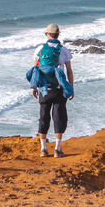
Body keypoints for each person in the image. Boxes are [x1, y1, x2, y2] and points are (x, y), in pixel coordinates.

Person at [32, 23, 74, 157]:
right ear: (58, 34)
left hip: (44, 89)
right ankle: (57, 149)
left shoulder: (39, 49)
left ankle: (43, 149)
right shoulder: (64, 50)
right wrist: (71, 87)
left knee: (43, 118)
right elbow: (69, 71)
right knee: (59, 117)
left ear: (48, 35)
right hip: (59, 89)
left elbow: (35, 71)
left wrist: (33, 87)